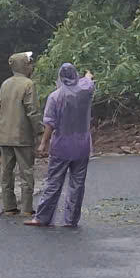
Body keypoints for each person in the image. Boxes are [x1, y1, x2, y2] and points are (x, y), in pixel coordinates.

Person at [27, 63, 95, 228]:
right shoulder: (85, 91)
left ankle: (42, 217)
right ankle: (71, 220)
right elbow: (88, 81)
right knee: (77, 184)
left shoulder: (55, 97)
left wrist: (43, 143)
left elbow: (50, 124)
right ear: (75, 75)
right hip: (82, 145)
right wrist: (88, 75)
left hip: (62, 146)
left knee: (54, 182)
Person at [0, 52, 40, 216]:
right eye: (29, 63)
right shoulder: (28, 84)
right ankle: (27, 208)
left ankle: (9, 207)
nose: (31, 66)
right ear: (24, 65)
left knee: (6, 173)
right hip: (22, 137)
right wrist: (39, 132)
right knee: (26, 172)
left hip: (5, 136)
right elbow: (32, 111)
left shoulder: (5, 84)